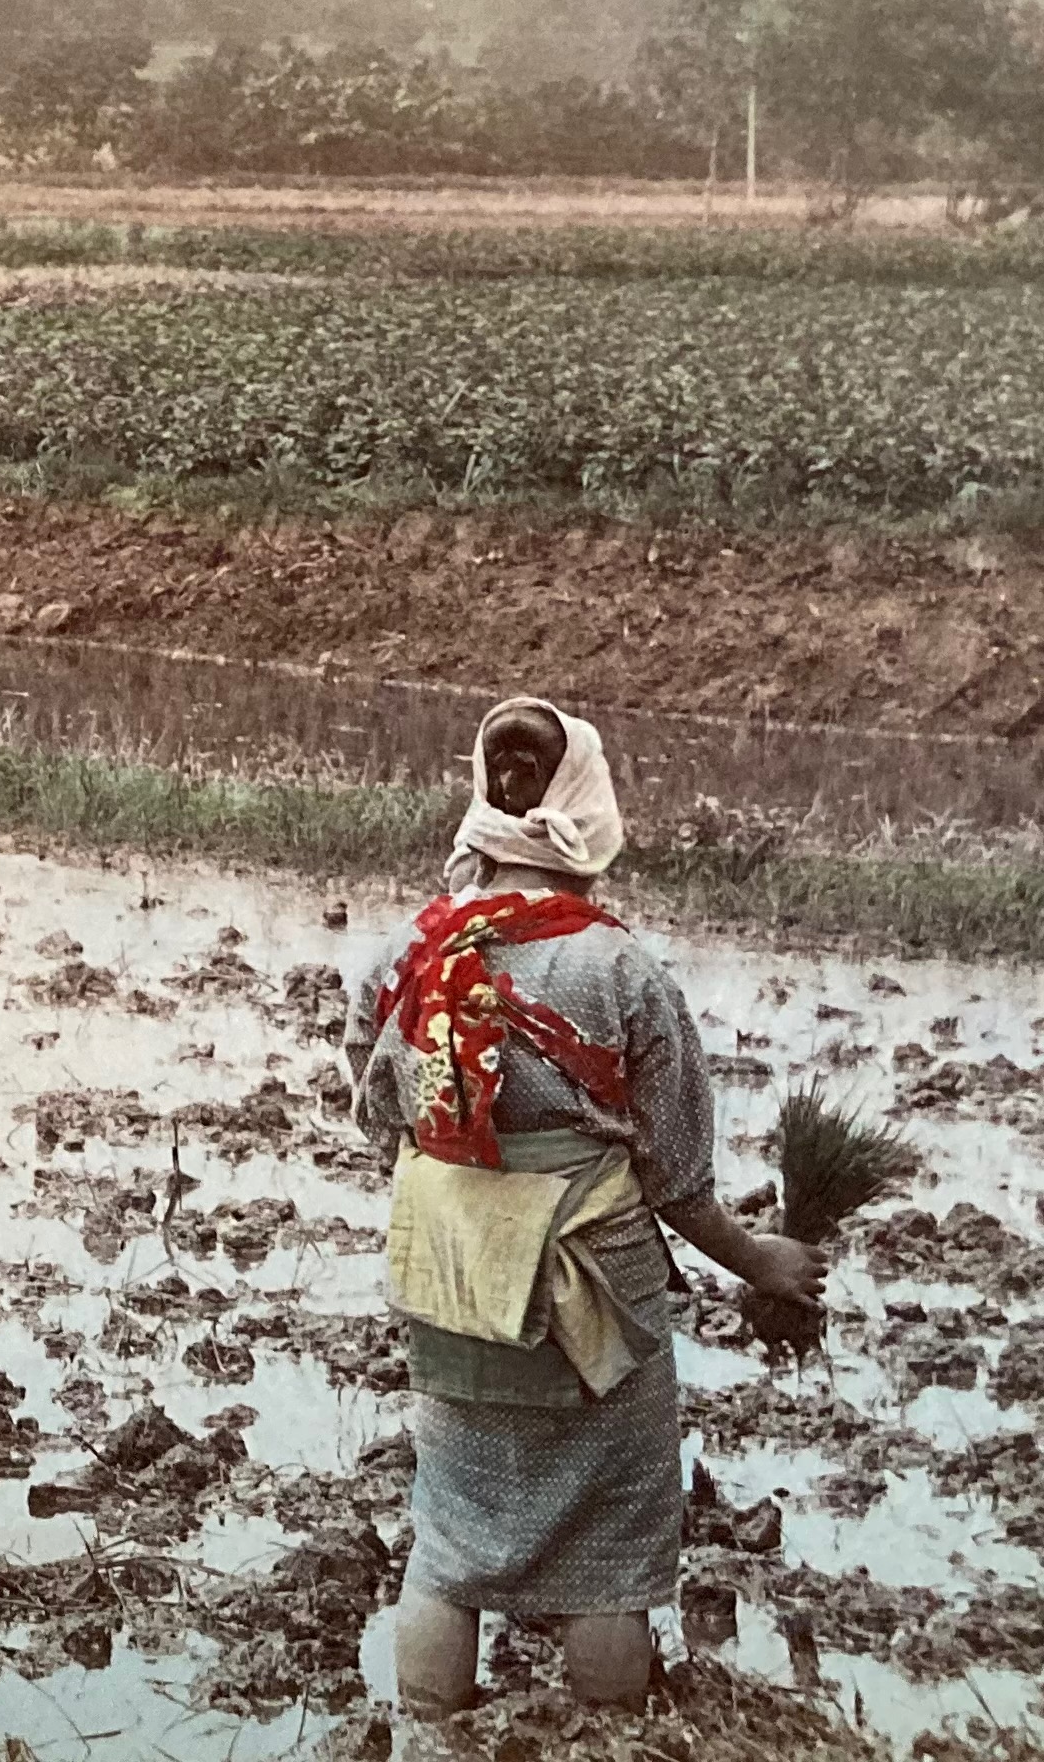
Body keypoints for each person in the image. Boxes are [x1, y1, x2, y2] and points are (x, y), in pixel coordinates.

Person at [345, 696, 824, 1722]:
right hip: (590, 1294)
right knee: (608, 1548)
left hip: (453, 1271)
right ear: (587, 804)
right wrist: (764, 1265)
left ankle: (427, 1735)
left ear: (487, 790)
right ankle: (604, 1742)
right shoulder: (618, 969)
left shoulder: (404, 954)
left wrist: (472, 1173)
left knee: (449, 1531)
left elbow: (376, 1104)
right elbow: (677, 1176)